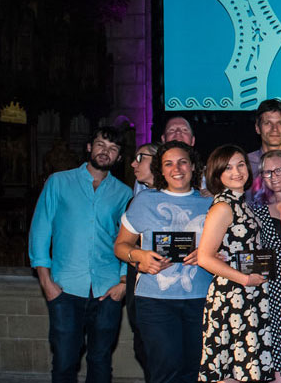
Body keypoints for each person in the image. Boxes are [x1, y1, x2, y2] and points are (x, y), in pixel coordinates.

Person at [28, 126, 133, 383]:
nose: (105, 151)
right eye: (100, 144)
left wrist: (123, 282)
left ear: (119, 157)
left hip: (107, 289)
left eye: (113, 148)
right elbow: (40, 230)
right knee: (64, 361)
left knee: (101, 361)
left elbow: (130, 240)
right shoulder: (59, 182)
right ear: (89, 147)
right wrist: (46, 282)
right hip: (65, 288)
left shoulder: (124, 193)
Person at [113, 140, 213, 383]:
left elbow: (227, 249)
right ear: (161, 169)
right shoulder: (144, 200)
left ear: (193, 166)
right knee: (165, 372)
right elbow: (120, 246)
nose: (176, 169)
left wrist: (209, 254)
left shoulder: (210, 202)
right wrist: (140, 257)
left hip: (201, 299)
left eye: (182, 162)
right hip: (155, 302)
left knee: (196, 372)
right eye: (168, 164)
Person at [197, 145, 275, 382]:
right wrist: (245, 279)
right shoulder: (223, 206)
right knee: (228, 370)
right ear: (217, 173)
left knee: (241, 369)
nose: (237, 172)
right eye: (228, 168)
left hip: (249, 295)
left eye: (241, 165)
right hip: (232, 295)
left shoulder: (242, 203)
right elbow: (204, 257)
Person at [252, 149, 281, 382]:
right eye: (267, 172)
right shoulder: (256, 210)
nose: (274, 176)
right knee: (276, 352)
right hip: (270, 290)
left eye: (279, 169)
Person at [126, 142, 157, 382]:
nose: (133, 164)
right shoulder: (138, 200)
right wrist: (138, 255)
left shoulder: (192, 198)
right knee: (145, 352)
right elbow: (121, 245)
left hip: (180, 295)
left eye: (140, 157)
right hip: (141, 289)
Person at [248, 99, 281, 185]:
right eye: (268, 123)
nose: (275, 129)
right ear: (257, 128)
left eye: (280, 123)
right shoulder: (245, 164)